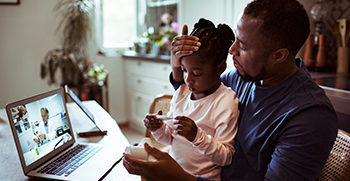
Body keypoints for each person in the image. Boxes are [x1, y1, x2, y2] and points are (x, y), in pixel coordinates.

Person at [123, 0, 338, 180]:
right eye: (235, 39)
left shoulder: (309, 117)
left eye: (243, 46)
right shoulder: (241, 78)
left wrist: (181, 178)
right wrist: (177, 66)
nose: (231, 50)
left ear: (279, 55)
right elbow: (197, 93)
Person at [143, 18, 239, 180]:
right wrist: (158, 128)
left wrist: (196, 136)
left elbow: (226, 157)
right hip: (171, 174)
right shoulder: (182, 92)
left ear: (220, 68)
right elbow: (169, 139)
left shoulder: (226, 101)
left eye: (197, 73)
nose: (188, 79)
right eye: (184, 70)